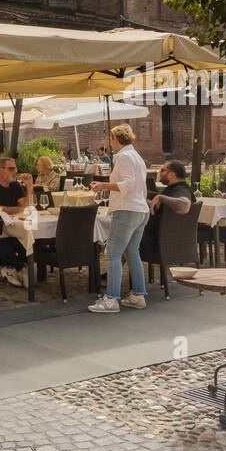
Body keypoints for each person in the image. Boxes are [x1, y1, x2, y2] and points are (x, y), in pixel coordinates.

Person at [88, 123, 150, 313]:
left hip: (127, 209)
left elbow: (128, 183)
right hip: (141, 210)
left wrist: (102, 186)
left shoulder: (123, 156)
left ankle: (111, 299)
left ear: (116, 139)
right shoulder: (136, 156)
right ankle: (138, 296)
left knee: (112, 253)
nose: (110, 143)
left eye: (111, 139)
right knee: (132, 252)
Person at [0, 155, 32, 289]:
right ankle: (22, 268)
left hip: (13, 226)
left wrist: (29, 187)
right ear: (0, 170)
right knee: (0, 240)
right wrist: (18, 209)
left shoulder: (15, 186)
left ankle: (12, 268)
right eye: (11, 169)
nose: (14, 171)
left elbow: (26, 206)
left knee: (27, 238)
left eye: (15, 168)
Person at [139, 159, 194, 253]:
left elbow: (184, 205)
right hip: (161, 239)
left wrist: (161, 197)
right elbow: (158, 207)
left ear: (172, 175)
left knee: (125, 234)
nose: (159, 172)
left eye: (162, 170)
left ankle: (117, 267)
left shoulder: (181, 189)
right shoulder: (174, 189)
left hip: (157, 242)